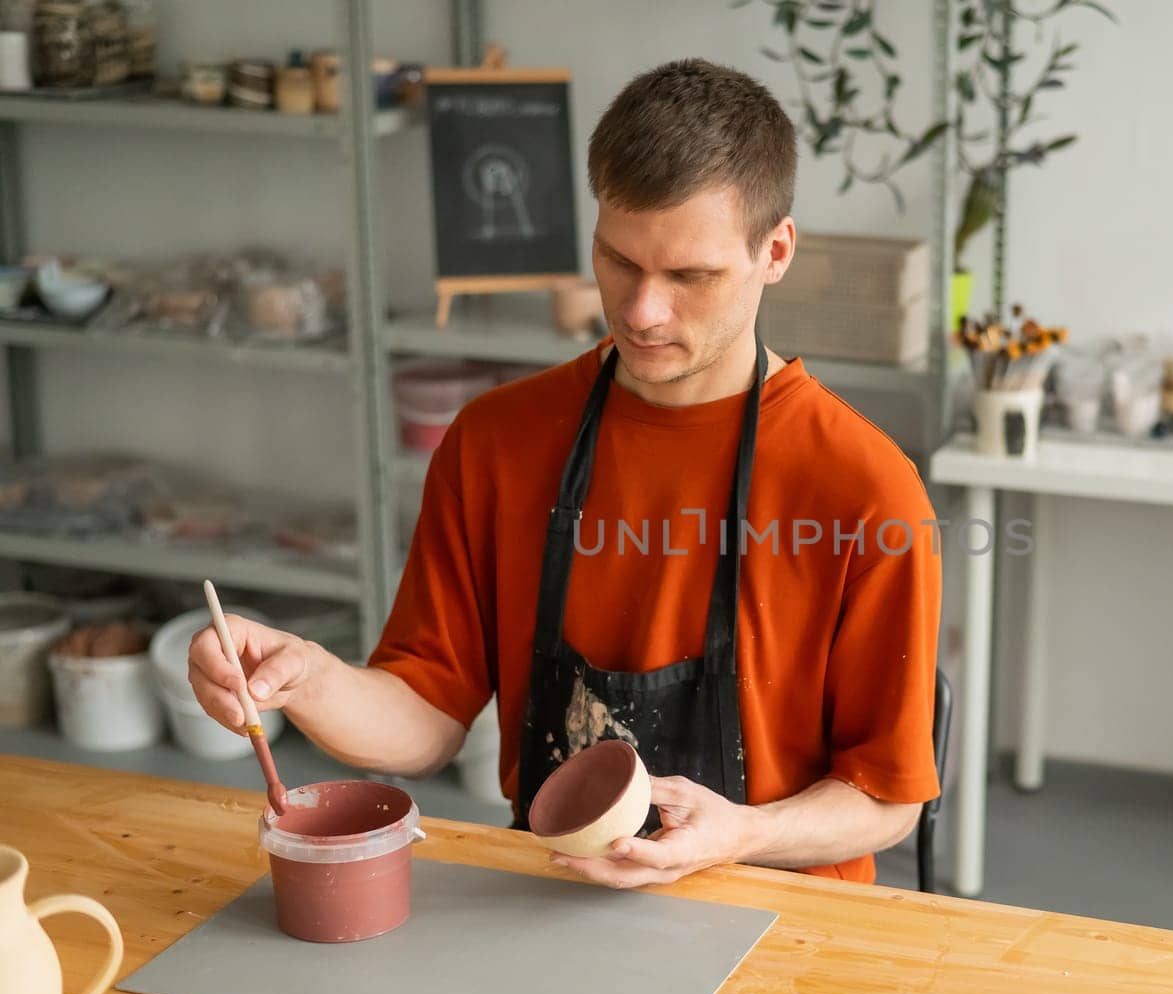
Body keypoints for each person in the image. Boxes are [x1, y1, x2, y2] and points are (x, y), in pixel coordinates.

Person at [187, 58, 941, 888]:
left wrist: (739, 833)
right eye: (619, 261)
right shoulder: (498, 441)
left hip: (783, 914)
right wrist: (307, 678)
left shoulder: (864, 489)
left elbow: (886, 796)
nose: (644, 310)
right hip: (551, 891)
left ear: (776, 251)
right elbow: (429, 716)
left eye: (690, 276)